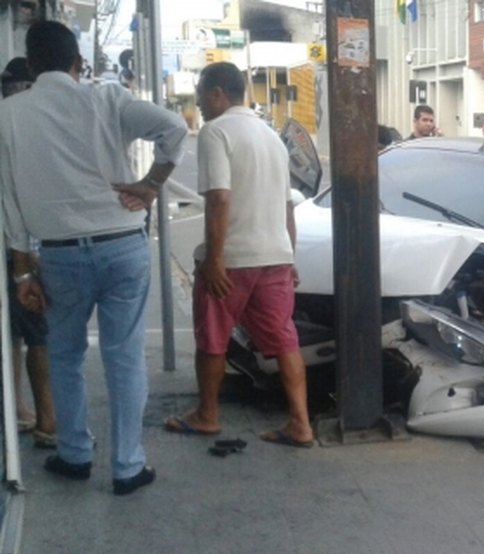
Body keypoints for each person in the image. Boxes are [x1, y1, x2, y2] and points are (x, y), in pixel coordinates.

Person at [0, 21, 187, 495]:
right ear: (77, 62)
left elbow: (10, 200)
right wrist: (151, 184)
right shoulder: (107, 98)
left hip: (58, 256)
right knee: (124, 357)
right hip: (122, 245)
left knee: (64, 355)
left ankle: (74, 454)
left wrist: (22, 271)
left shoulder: (9, 115)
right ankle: (127, 466)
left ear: (31, 65)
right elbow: (174, 128)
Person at [163, 61, 314, 448]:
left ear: (218, 94)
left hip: (233, 259)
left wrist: (214, 259)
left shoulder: (216, 132)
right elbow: (287, 205)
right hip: (276, 256)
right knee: (284, 340)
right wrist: (290, 257)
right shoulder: (271, 137)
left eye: (201, 96)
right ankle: (300, 423)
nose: (199, 104)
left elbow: (219, 199)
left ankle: (207, 415)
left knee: (212, 337)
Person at [0, 56, 56, 449]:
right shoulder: (26, 128)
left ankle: (17, 410)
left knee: (14, 333)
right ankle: (47, 420)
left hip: (14, 245)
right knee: (39, 334)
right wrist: (31, 256)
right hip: (22, 247)